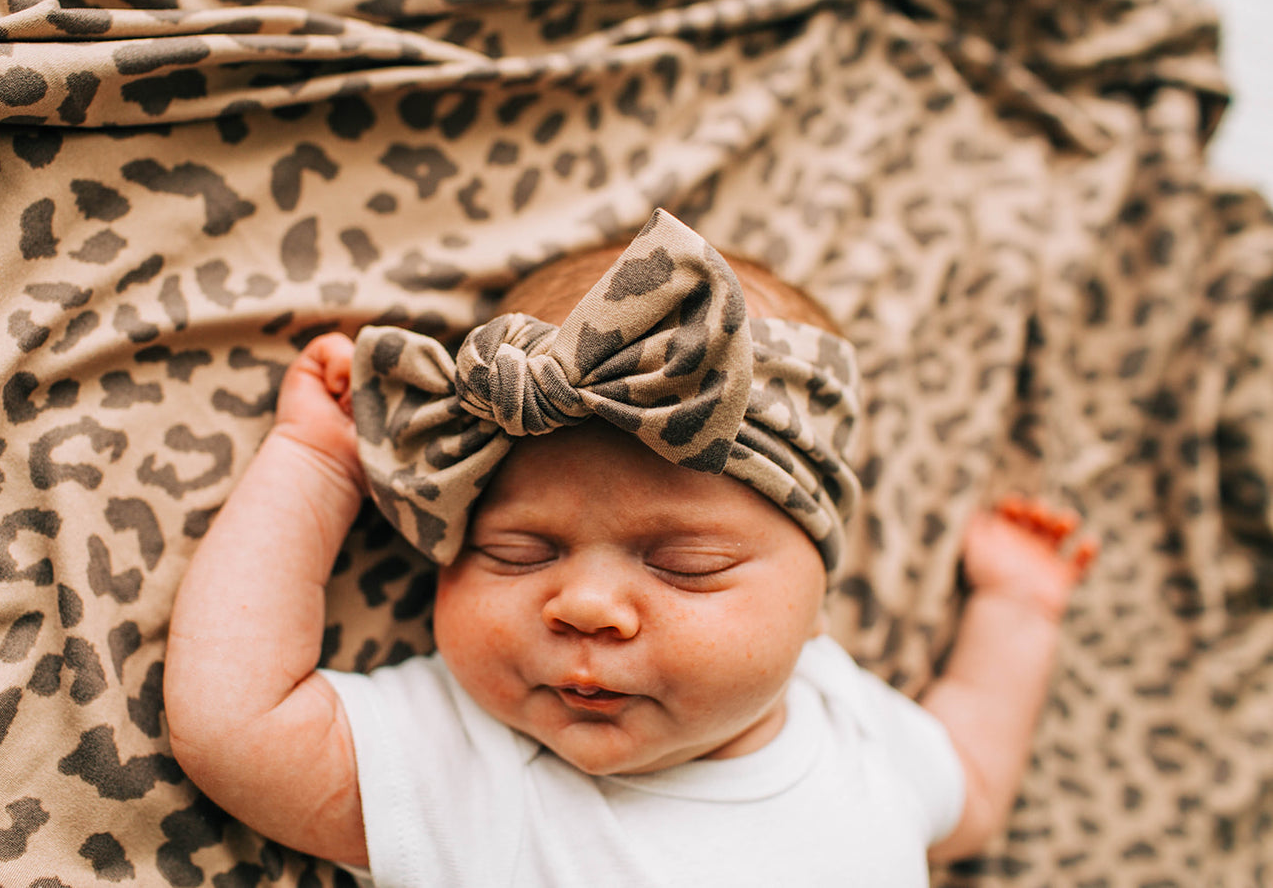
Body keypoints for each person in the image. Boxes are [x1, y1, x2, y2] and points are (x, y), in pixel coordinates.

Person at [163, 209, 1096, 887]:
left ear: (817, 595)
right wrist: (318, 470)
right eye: (517, 553)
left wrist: (1016, 609)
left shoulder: (849, 726)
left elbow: (971, 789)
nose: (584, 607)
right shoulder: (463, 761)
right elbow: (233, 723)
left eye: (684, 565)